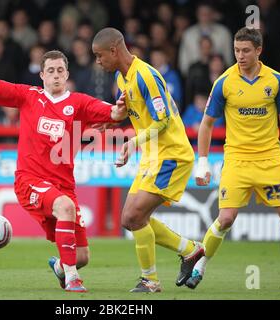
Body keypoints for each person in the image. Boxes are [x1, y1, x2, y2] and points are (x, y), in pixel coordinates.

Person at [0, 15, 127, 293]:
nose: (56, 75)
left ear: (67, 75)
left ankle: (61, 267)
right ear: (42, 75)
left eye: (60, 70)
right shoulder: (28, 96)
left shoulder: (79, 103)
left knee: (82, 257)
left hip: (64, 186)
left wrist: (124, 101)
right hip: (29, 180)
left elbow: (116, 113)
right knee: (65, 208)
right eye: (51, 71)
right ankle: (71, 279)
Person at [191, 27, 280, 291]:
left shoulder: (276, 81)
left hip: (270, 159)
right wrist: (202, 162)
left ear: (259, 50)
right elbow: (206, 124)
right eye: (236, 50)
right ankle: (199, 267)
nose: (240, 56)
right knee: (225, 218)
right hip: (237, 159)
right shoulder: (224, 82)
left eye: (246, 50)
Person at [92, 27, 204, 293]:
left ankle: (151, 280)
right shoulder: (122, 77)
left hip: (171, 154)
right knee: (130, 219)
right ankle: (189, 250)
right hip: (153, 155)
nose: (97, 62)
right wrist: (112, 122)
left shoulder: (146, 76)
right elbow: (134, 110)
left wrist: (133, 142)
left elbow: (163, 120)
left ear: (113, 50)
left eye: (99, 56)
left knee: (133, 215)